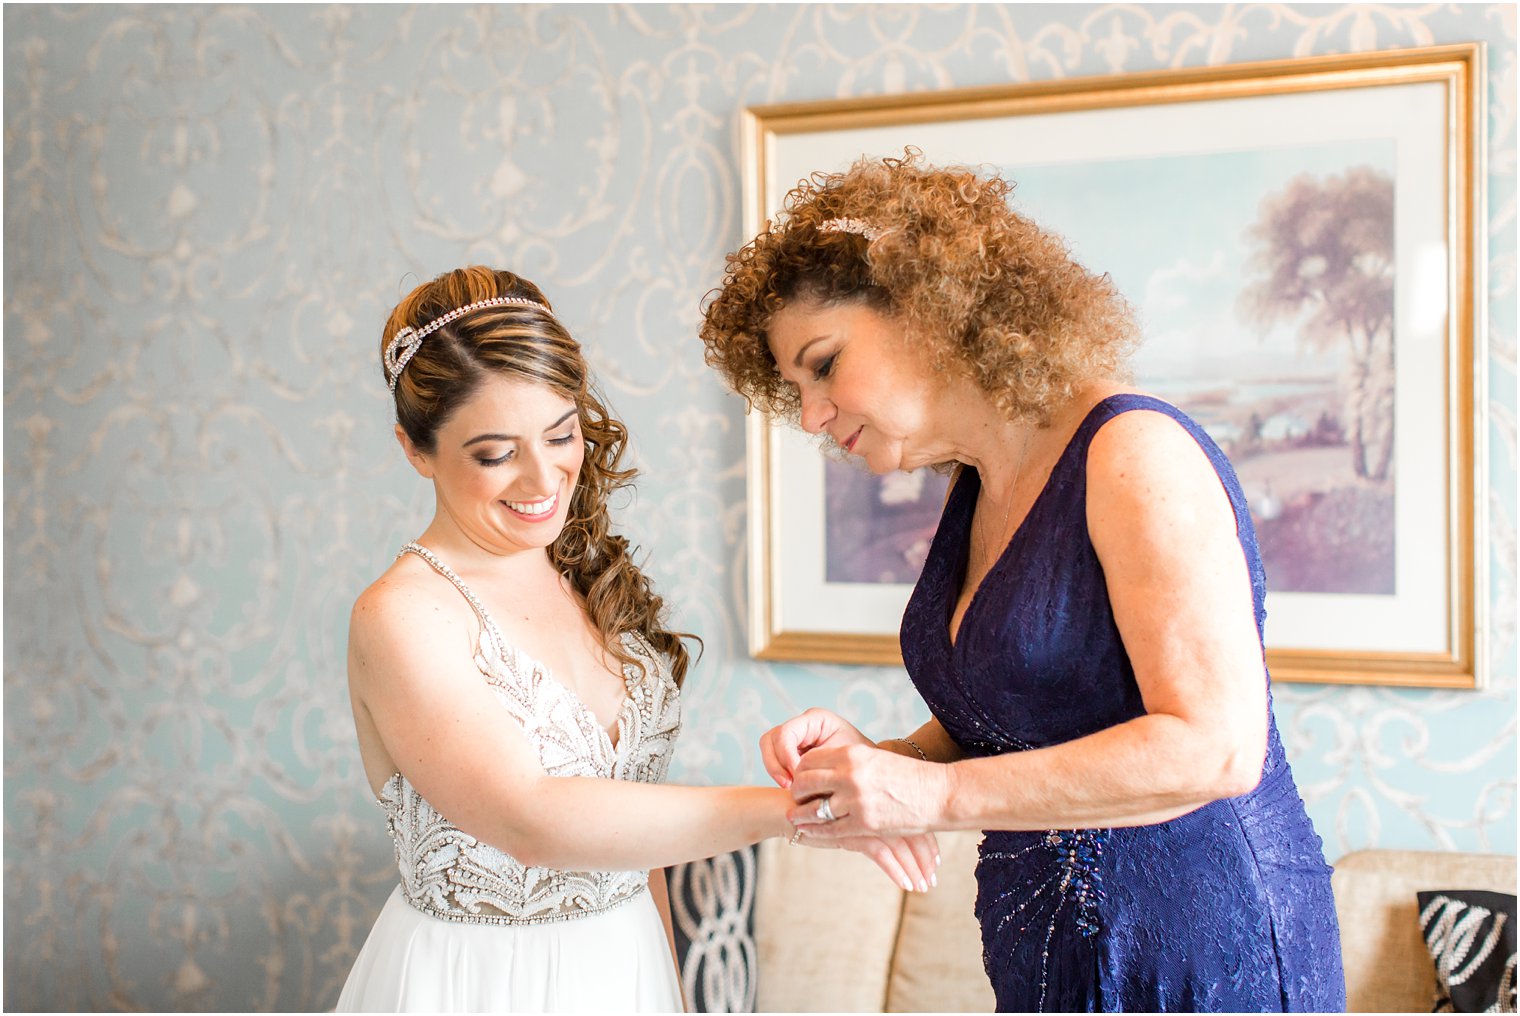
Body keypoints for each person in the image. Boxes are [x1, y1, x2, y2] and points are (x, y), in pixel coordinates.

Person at [698, 152, 1345, 1012]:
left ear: (928, 307)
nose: (812, 415)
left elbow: (1217, 747)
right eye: (793, 389)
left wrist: (931, 793)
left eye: (824, 364)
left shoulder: (1131, 453)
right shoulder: (977, 483)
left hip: (1204, 950)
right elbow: (1035, 719)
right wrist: (886, 761)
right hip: (1049, 958)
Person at [337, 266, 938, 1012]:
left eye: (560, 434)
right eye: (495, 453)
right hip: (482, 984)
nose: (542, 477)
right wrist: (806, 807)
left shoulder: (582, 580)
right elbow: (533, 820)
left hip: (626, 967)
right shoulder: (403, 614)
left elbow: (628, 827)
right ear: (415, 450)